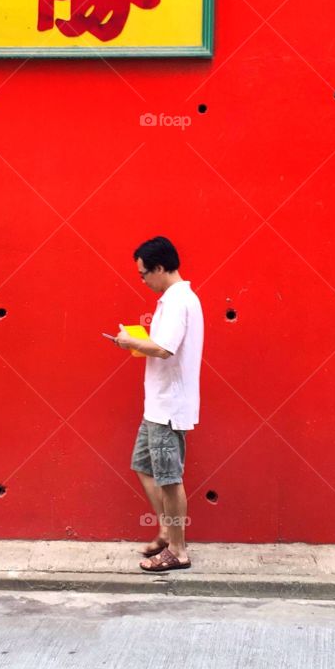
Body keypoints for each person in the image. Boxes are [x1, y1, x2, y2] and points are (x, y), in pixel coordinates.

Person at [112, 236, 204, 572]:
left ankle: (178, 550)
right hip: (157, 404)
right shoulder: (172, 300)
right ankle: (167, 531)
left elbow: (165, 348)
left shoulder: (180, 301)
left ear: (160, 268)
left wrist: (128, 342)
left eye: (143, 274)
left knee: (169, 477)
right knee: (143, 466)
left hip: (169, 407)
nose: (143, 280)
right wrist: (138, 341)